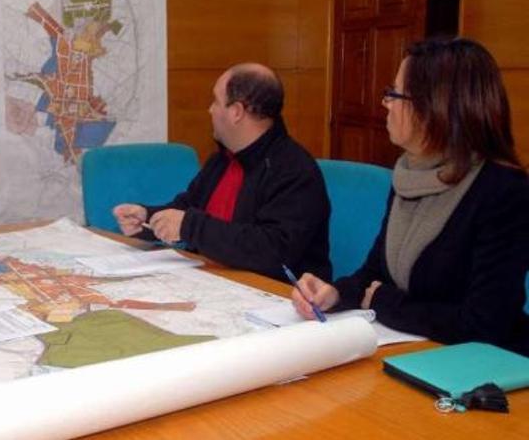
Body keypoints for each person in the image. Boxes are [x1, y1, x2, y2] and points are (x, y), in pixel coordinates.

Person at [292, 38, 529, 356]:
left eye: (395, 94)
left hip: (482, 369)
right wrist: (334, 294)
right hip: (416, 350)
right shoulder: (410, 174)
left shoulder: (503, 190)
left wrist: (382, 301)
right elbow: (374, 273)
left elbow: (482, 325)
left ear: (436, 107)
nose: (385, 103)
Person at [113, 63, 332, 282]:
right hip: (213, 282)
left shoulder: (295, 171)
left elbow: (272, 251)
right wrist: (148, 218)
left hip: (273, 296)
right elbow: (188, 207)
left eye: (216, 101)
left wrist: (190, 226)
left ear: (236, 112)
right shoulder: (223, 158)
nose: (210, 110)